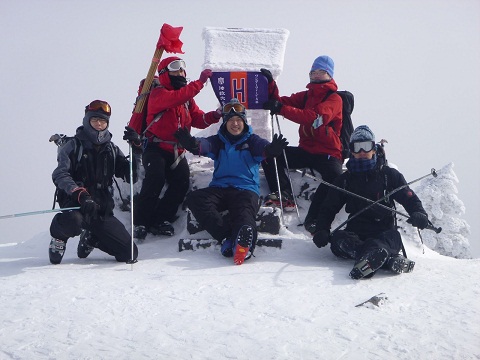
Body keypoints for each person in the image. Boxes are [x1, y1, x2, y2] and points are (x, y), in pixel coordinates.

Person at [174, 98, 289, 265]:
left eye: (238, 120)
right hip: (220, 189)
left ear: (244, 122)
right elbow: (204, 145)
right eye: (231, 120)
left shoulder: (252, 141)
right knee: (195, 199)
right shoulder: (218, 141)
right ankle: (228, 237)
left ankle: (246, 243)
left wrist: (271, 150)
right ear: (225, 123)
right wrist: (192, 144)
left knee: (244, 212)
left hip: (245, 189)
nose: (235, 124)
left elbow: (263, 149)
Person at [310, 125, 429, 279]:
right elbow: (329, 207)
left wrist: (419, 213)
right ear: (351, 151)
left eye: (366, 147)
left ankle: (370, 259)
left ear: (374, 148)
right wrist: (322, 229)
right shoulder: (345, 180)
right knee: (338, 240)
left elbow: (409, 198)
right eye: (357, 147)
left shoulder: (389, 175)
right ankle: (386, 260)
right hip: (355, 233)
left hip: (385, 233)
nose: (362, 152)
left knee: (393, 238)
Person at [133, 57, 222, 240]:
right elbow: (175, 98)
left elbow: (197, 119)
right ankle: (140, 222)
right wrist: (201, 82)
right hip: (155, 147)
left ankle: (160, 219)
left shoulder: (186, 99)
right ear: (164, 73)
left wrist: (215, 115)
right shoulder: (159, 94)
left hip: (176, 151)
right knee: (155, 177)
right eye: (175, 69)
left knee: (181, 183)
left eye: (182, 69)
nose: (180, 73)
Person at [49, 100, 140, 265]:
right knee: (74, 222)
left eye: (103, 121)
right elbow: (60, 174)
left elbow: (130, 176)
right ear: (87, 120)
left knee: (129, 253)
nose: (99, 124)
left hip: (101, 209)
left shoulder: (111, 149)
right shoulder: (73, 145)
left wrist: (137, 149)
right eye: (95, 120)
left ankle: (92, 238)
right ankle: (58, 236)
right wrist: (79, 194)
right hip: (76, 205)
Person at [260, 55, 343, 220]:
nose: (316, 74)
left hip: (328, 153)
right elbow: (280, 102)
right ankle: (285, 195)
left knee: (335, 179)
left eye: (322, 71)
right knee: (270, 155)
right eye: (314, 71)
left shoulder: (334, 99)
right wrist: (270, 85)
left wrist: (281, 108)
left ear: (330, 74)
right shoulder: (306, 96)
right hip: (306, 150)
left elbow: (313, 118)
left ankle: (320, 217)